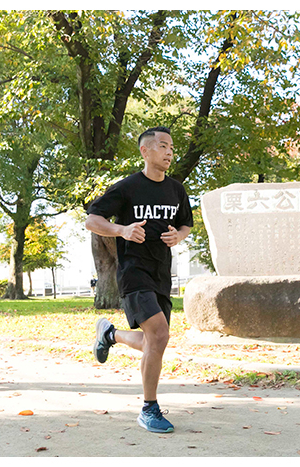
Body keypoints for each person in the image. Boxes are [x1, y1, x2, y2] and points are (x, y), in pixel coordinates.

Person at [85, 126, 193, 433]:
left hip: (162, 272)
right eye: (162, 146)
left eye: (171, 146)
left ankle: (110, 335)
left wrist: (178, 236)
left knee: (151, 341)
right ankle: (149, 408)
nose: (169, 151)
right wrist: (122, 230)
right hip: (133, 271)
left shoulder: (176, 190)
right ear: (145, 151)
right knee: (159, 335)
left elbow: (186, 224)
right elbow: (92, 219)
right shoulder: (127, 188)